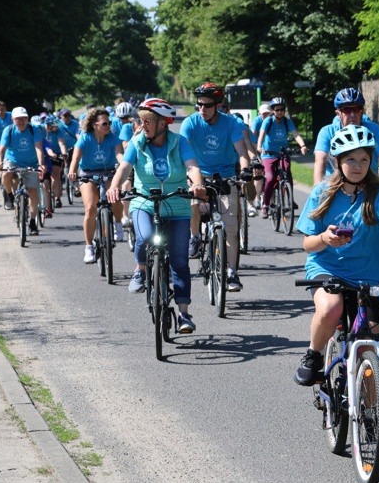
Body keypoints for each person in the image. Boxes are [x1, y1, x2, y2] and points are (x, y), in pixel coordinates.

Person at [293, 124, 379, 385]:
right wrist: (324, 239)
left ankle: (372, 418)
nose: (358, 166)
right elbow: (307, 244)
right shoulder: (321, 193)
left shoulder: (378, 195)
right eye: (351, 159)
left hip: (369, 278)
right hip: (328, 269)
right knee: (332, 308)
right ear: (337, 161)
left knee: (369, 346)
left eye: (364, 160)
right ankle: (314, 354)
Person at [107, 98, 206, 333]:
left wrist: (198, 185)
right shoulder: (137, 142)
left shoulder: (179, 142)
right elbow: (123, 169)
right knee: (145, 238)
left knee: (180, 261)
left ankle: (184, 314)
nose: (143, 125)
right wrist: (114, 187)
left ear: (163, 123)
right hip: (144, 202)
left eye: (148, 120)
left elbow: (192, 167)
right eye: (141, 120)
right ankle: (141, 270)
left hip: (177, 204)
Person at [180, 82, 250, 291]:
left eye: (207, 105)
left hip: (226, 177)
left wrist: (244, 171)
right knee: (193, 202)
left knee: (230, 226)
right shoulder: (190, 123)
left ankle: (231, 272)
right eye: (199, 104)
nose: (202, 109)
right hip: (199, 175)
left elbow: (242, 153)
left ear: (218, 105)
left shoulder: (231, 124)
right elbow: (182, 151)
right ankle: (194, 236)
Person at [312, 88, 379, 196]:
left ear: (362, 111)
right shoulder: (327, 132)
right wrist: (318, 187)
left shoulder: (374, 130)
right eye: (347, 110)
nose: (352, 114)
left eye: (356, 109)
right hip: (336, 187)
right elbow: (320, 159)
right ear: (338, 113)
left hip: (368, 186)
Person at [68, 108, 124, 263]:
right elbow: (75, 157)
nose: (108, 126)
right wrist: (72, 171)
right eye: (105, 123)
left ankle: (118, 224)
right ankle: (88, 247)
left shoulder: (113, 138)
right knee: (91, 208)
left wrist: (124, 166)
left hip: (108, 173)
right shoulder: (85, 138)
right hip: (87, 174)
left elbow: (120, 156)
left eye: (110, 123)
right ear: (94, 125)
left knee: (115, 197)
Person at [256, 96, 308, 218]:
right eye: (277, 109)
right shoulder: (268, 121)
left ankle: (290, 199)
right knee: (270, 178)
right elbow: (261, 135)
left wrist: (303, 145)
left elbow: (296, 134)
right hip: (268, 154)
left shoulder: (286, 121)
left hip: (282, 153)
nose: (280, 112)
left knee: (287, 170)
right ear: (273, 110)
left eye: (282, 109)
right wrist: (259, 146)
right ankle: (266, 204)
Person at [0, 107, 45, 232]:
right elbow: (1, 150)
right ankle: (9, 196)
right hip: (12, 160)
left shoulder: (34, 129)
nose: (21, 121)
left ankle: (33, 222)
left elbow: (39, 147)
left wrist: (40, 164)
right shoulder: (9, 130)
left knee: (33, 192)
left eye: (23, 118)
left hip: (31, 163)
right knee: (6, 174)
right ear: (13, 119)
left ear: (27, 119)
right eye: (18, 119)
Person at [41, 115, 69, 218]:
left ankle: (57, 198)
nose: (57, 127)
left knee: (56, 173)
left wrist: (64, 153)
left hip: (55, 154)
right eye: (55, 126)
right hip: (42, 155)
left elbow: (61, 143)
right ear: (49, 125)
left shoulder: (58, 131)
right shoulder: (40, 129)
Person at [249, 103, 271, 215]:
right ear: (259, 114)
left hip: (269, 150)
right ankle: (257, 198)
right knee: (258, 172)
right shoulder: (257, 122)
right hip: (257, 148)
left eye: (268, 113)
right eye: (264, 114)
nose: (266, 116)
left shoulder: (273, 120)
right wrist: (256, 155)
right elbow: (252, 138)